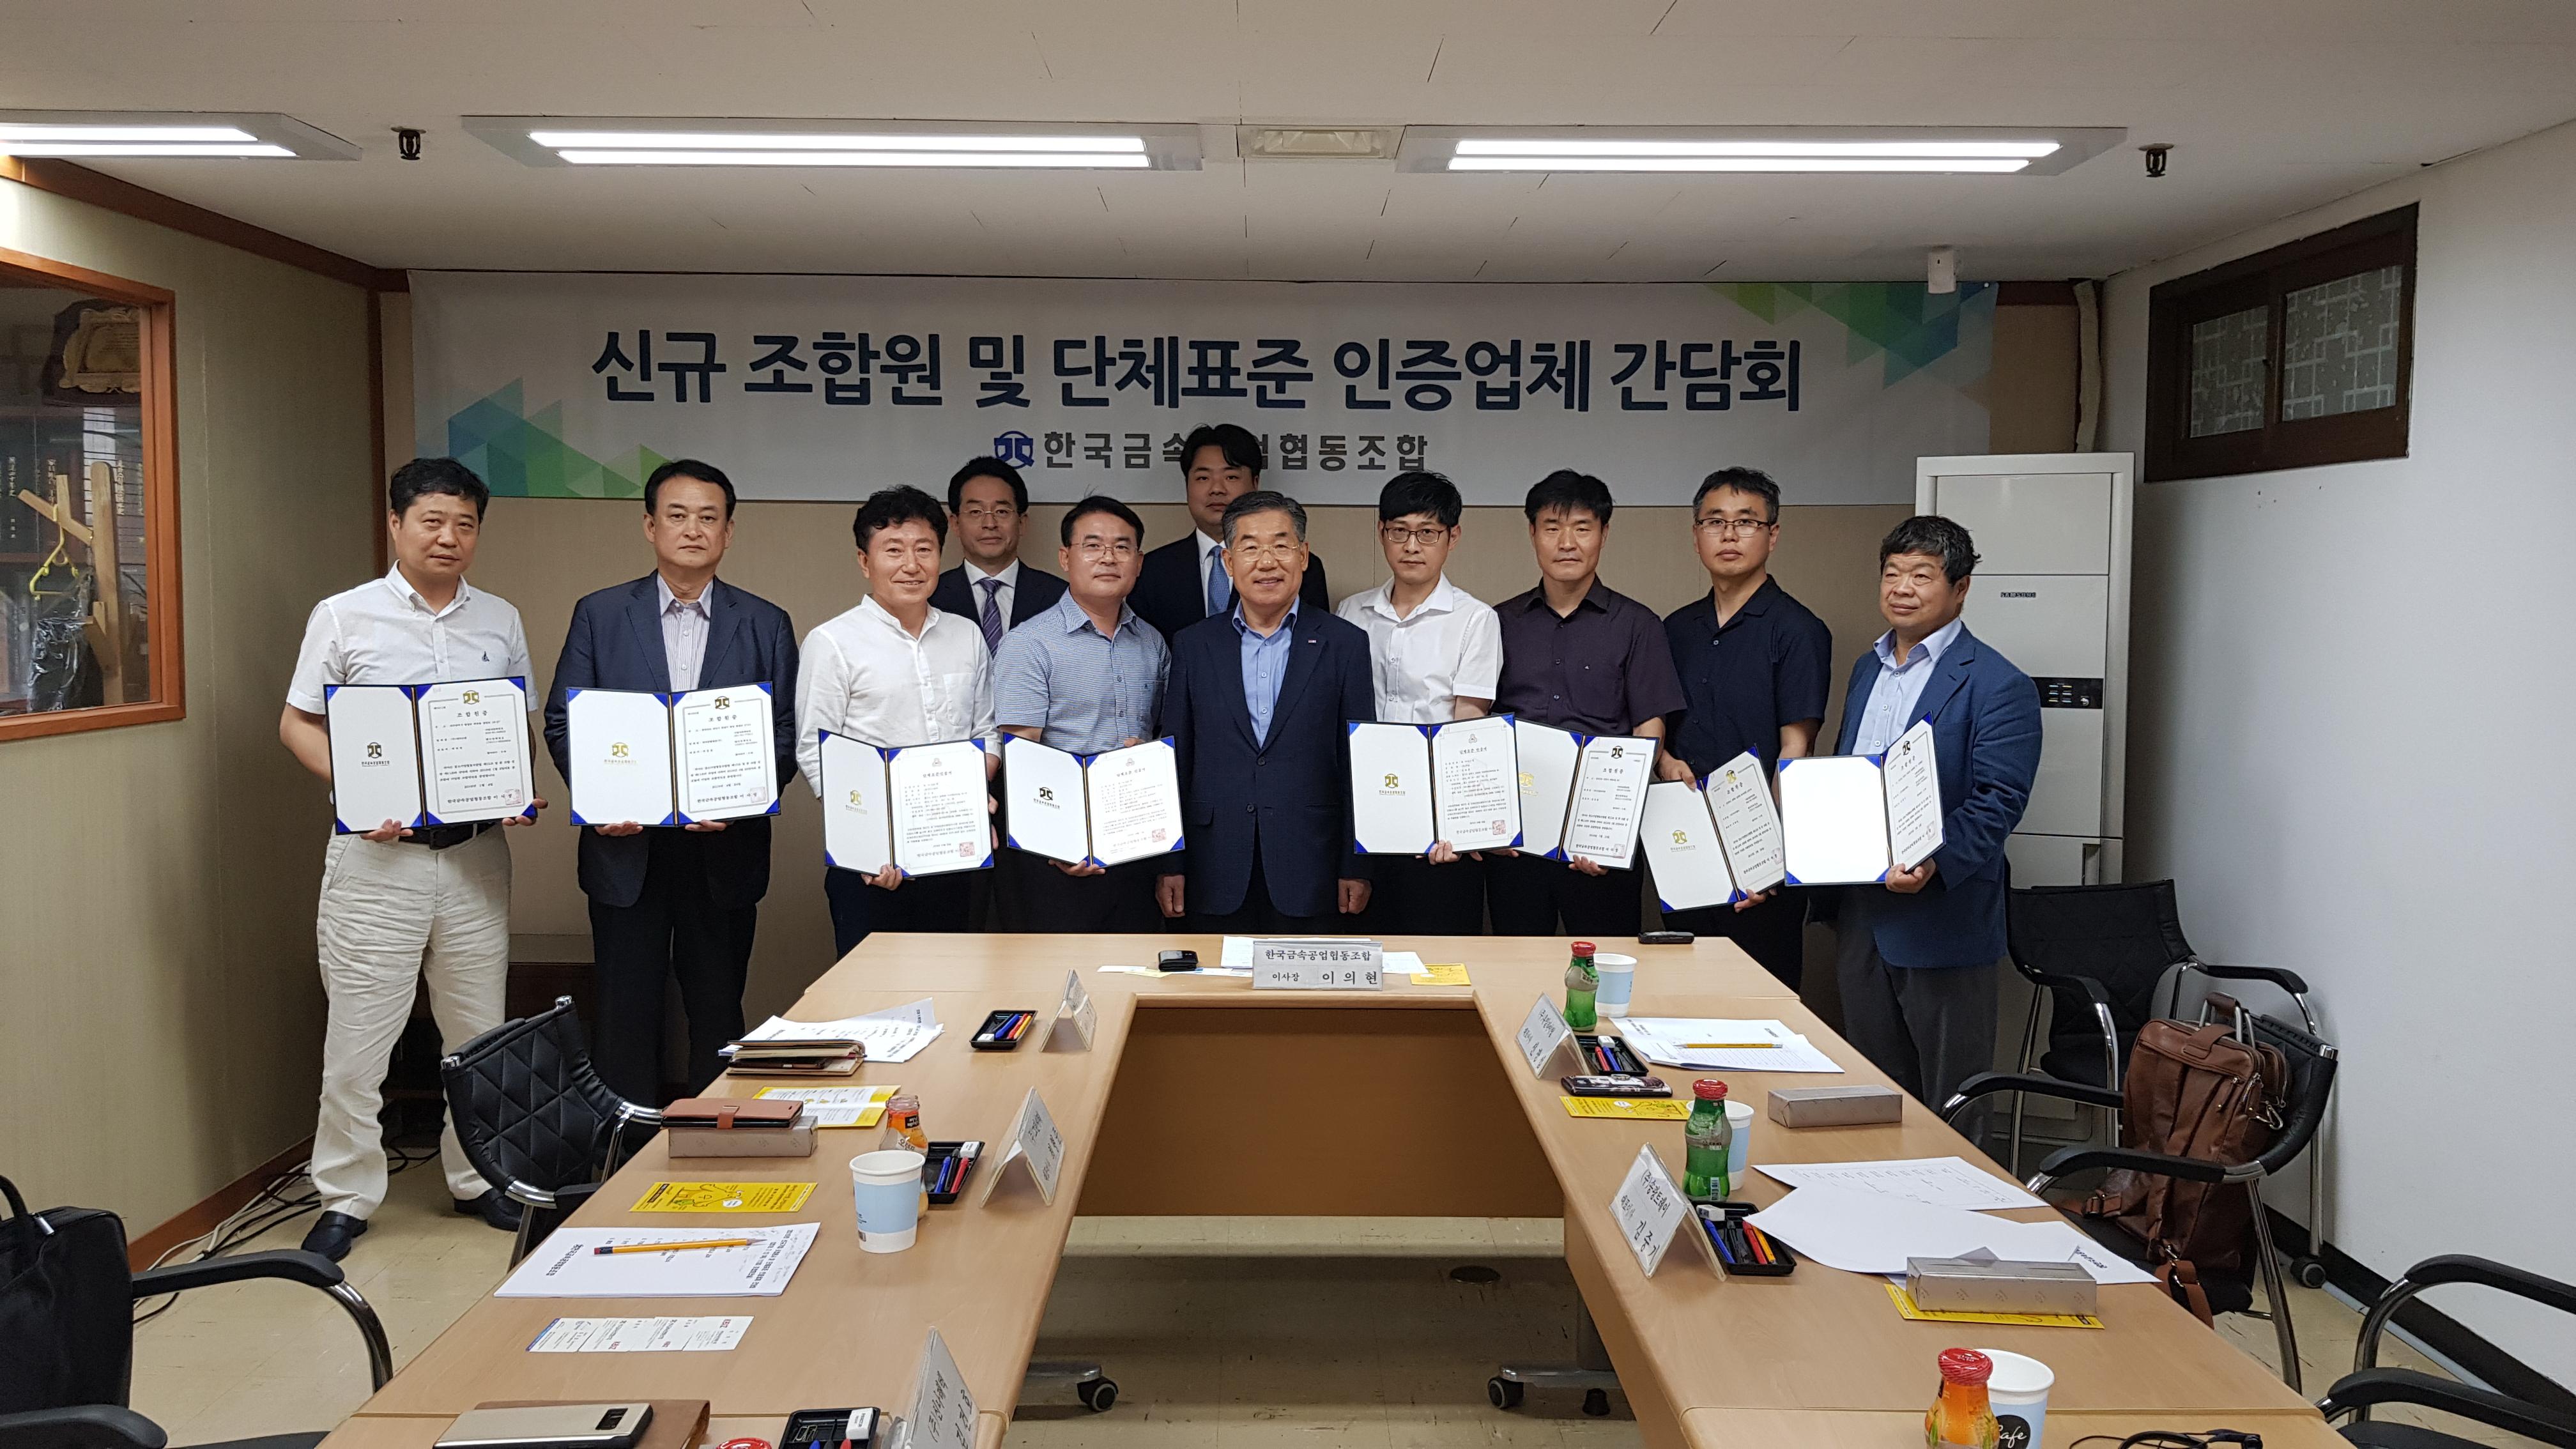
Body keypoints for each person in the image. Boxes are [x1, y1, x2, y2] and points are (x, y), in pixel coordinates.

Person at [277, 458, 542, 1261]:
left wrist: (514, 788)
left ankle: (478, 1178)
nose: (448, 537)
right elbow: (296, 724)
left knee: (478, 1033)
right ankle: (346, 1198)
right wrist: (359, 790)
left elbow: (516, 725)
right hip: (376, 861)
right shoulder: (344, 616)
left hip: (474, 858)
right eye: (431, 520)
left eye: (465, 523)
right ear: (395, 525)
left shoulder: (499, 619)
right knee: (359, 1043)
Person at [541, 459, 799, 1107]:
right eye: (677, 515)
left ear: (729, 532)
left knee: (718, 1011)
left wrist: (743, 804)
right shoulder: (600, 614)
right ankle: (626, 1154)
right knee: (626, 1014)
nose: (693, 529)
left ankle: (715, 1140)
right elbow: (564, 720)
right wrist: (600, 800)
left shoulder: (765, 621)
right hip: (627, 848)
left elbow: (786, 731)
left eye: (709, 517)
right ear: (650, 525)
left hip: (724, 848)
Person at [1832, 515, 2041, 1123]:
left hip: (1942, 916)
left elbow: (1999, 800)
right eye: (1892, 573)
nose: (1902, 588)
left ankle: (1960, 1188)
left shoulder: (1999, 684)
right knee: (1873, 1094)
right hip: (1862, 911)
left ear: (1960, 587)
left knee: (1953, 1100)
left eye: (1921, 576)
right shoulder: (1867, 668)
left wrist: (1933, 862)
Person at [1156, 490, 1374, 930]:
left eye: (1281, 545)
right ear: (1228, 562)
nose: (1267, 561)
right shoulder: (1194, 644)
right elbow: (1175, 759)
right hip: (1213, 862)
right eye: (1251, 547)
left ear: (1303, 556)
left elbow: (1359, 762)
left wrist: (1356, 864)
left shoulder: (1345, 643)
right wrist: (1170, 862)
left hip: (1311, 861)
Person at [797, 486, 998, 956]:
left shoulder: (966, 635)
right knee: (875, 993)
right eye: (893, 550)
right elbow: (815, 750)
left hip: (953, 854)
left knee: (954, 983)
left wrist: (969, 801)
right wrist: (866, 841)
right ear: (864, 561)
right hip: (872, 865)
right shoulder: (832, 642)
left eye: (924, 549)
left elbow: (987, 732)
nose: (911, 564)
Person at [1487, 468, 1687, 938]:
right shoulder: (1498, 622)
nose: (1567, 543)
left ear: (1604, 533)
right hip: (1517, 839)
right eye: (1552, 528)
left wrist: (1611, 834)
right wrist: (1489, 824)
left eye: (1582, 528)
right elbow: (1478, 725)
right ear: (1532, 534)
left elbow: (1649, 730)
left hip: (1602, 840)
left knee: (1607, 966)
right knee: (1514, 965)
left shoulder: (1638, 625)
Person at [1657, 466, 1832, 988]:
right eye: (1715, 522)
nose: (1729, 535)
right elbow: (1659, 728)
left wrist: (1768, 862)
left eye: (1746, 522)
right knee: (1682, 997)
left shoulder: (1798, 630)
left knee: (1759, 1005)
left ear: (1772, 535)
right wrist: (1664, 762)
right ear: (1696, 536)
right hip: (1684, 843)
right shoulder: (1675, 629)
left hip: (1760, 859)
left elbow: (1795, 751)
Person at [1335, 470, 1503, 936]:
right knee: (1362, 955)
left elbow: (1470, 720)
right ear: (1381, 533)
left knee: (1439, 958)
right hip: (1364, 814)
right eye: (1400, 532)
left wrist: (1460, 824)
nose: (1412, 546)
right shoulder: (1351, 613)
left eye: (1428, 533)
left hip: (1437, 827)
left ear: (1453, 537)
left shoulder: (1475, 619)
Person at [992, 495, 1170, 932]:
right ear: (1065, 558)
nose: (1108, 557)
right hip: (1055, 857)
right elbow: (1022, 756)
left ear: (1139, 562)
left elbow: (1162, 734)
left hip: (1135, 843)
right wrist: (1060, 843)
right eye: (1093, 545)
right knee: (1058, 969)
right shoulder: (1029, 643)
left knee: (1135, 965)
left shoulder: (1152, 642)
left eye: (1122, 547)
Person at [1130, 424, 1330, 641]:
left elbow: (1316, 643)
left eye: (1231, 477)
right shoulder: (1152, 571)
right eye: (1203, 478)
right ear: (1187, 485)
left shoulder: (1298, 566)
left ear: (1255, 483)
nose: (1217, 489)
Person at [929, 456, 1067, 653]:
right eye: (976, 512)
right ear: (955, 523)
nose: (990, 524)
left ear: (1022, 523)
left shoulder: (1061, 597)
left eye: (1001, 511)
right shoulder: (930, 596)